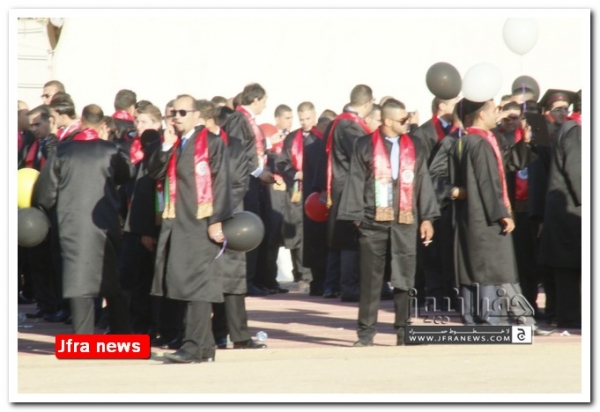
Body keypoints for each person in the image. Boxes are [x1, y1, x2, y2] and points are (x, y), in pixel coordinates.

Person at [447, 98, 554, 335]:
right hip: (484, 217)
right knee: (492, 271)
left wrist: (524, 143)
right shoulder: (476, 143)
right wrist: (502, 213)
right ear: (481, 114)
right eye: (493, 110)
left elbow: (506, 164)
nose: (498, 115)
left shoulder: (482, 139)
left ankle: (516, 320)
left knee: (496, 270)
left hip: (479, 214)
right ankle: (494, 320)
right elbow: (488, 183)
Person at [338, 98, 439, 346]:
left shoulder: (415, 145)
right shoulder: (364, 145)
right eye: (402, 119)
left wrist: (427, 217)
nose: (408, 123)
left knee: (405, 277)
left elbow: (423, 180)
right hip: (372, 222)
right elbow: (355, 180)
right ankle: (365, 334)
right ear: (386, 121)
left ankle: (404, 332)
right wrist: (357, 219)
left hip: (405, 220)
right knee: (371, 280)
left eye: (408, 118)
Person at [32, 104, 135, 334]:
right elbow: (127, 174)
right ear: (102, 124)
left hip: (72, 226)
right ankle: (122, 337)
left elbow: (46, 193)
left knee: (79, 286)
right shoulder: (111, 150)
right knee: (112, 282)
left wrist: (47, 212)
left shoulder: (63, 151)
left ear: (81, 121)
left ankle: (83, 339)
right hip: (106, 224)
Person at [148, 94, 232, 363]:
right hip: (178, 222)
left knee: (198, 286)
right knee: (188, 285)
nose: (176, 117)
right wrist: (165, 145)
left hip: (200, 223)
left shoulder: (211, 143)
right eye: (173, 112)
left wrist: (216, 220)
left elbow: (222, 183)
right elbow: (154, 173)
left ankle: (194, 345)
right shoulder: (174, 144)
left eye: (183, 112)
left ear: (197, 115)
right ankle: (204, 347)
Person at [191, 100, 266, 350]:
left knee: (232, 280)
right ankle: (205, 334)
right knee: (202, 279)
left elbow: (238, 184)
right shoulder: (191, 145)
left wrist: (218, 214)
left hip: (228, 218)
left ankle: (238, 335)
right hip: (197, 219)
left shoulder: (233, 145)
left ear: (207, 121)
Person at [223, 83, 284, 296]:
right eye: (264, 100)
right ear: (255, 99)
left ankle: (257, 278)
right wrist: (258, 173)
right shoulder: (238, 120)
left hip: (254, 183)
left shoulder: (247, 120)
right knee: (246, 228)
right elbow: (238, 153)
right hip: (244, 185)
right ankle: (245, 281)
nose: (265, 105)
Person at [317, 84, 374, 302]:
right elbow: (362, 156)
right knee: (348, 238)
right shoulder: (349, 126)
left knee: (340, 238)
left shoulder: (341, 122)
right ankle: (349, 286)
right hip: (348, 188)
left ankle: (336, 285)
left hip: (342, 186)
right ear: (368, 103)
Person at [538, 89, 581, 329]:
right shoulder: (575, 132)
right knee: (568, 267)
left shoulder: (568, 129)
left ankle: (567, 314)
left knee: (568, 267)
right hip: (570, 210)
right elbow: (578, 173)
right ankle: (569, 317)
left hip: (565, 209)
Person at [276, 101, 327, 296]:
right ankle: (301, 275)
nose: (305, 122)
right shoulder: (292, 138)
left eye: (308, 118)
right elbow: (282, 163)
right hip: (297, 194)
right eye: (302, 119)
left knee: (315, 236)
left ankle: (315, 277)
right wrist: (297, 174)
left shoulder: (320, 138)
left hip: (316, 194)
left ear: (314, 116)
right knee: (296, 235)